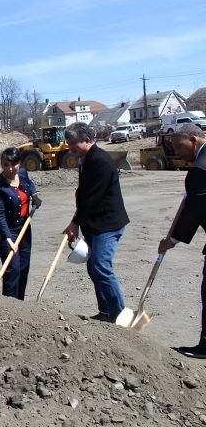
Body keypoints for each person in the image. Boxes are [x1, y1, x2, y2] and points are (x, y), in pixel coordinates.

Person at [62, 122, 129, 322]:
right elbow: (83, 194)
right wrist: (77, 221)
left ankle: (119, 314)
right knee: (93, 268)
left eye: (73, 143)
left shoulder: (99, 160)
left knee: (100, 266)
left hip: (107, 223)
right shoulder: (86, 159)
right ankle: (106, 311)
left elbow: (91, 198)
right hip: (94, 222)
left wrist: (75, 222)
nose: (70, 147)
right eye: (68, 142)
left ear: (87, 140)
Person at [158, 125, 206, 358]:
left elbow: (195, 210)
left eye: (179, 145)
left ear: (193, 139)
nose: (177, 151)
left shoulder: (200, 169)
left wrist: (173, 239)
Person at [0, 147, 40, 300]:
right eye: (6, 165)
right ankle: (8, 306)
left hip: (24, 228)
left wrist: (35, 195)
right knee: (13, 269)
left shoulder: (23, 174)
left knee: (24, 267)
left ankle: (19, 304)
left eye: (13, 164)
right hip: (7, 232)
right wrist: (8, 239)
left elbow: (29, 186)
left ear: (20, 163)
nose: (10, 169)